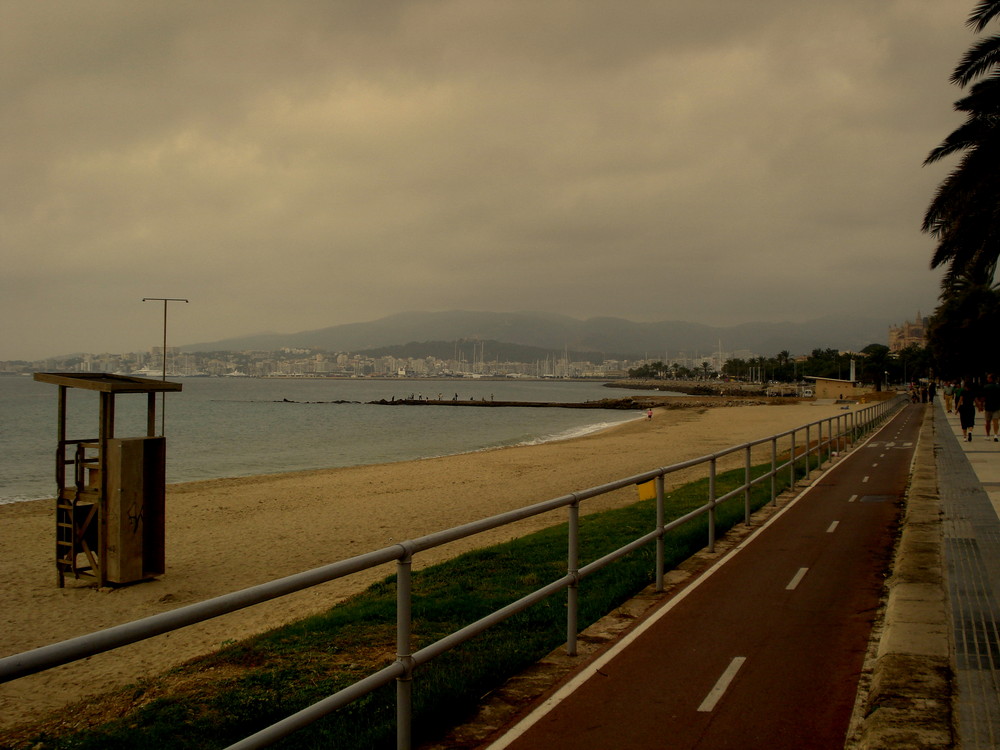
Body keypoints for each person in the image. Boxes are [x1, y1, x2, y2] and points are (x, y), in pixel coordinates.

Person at [982, 373, 1000, 442]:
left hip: (988, 406)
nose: (987, 379)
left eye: (988, 378)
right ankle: (995, 434)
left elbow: (983, 397)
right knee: (995, 421)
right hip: (996, 406)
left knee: (988, 422)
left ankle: (988, 435)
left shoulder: (986, 387)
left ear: (991, 379)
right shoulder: (998, 387)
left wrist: (981, 405)